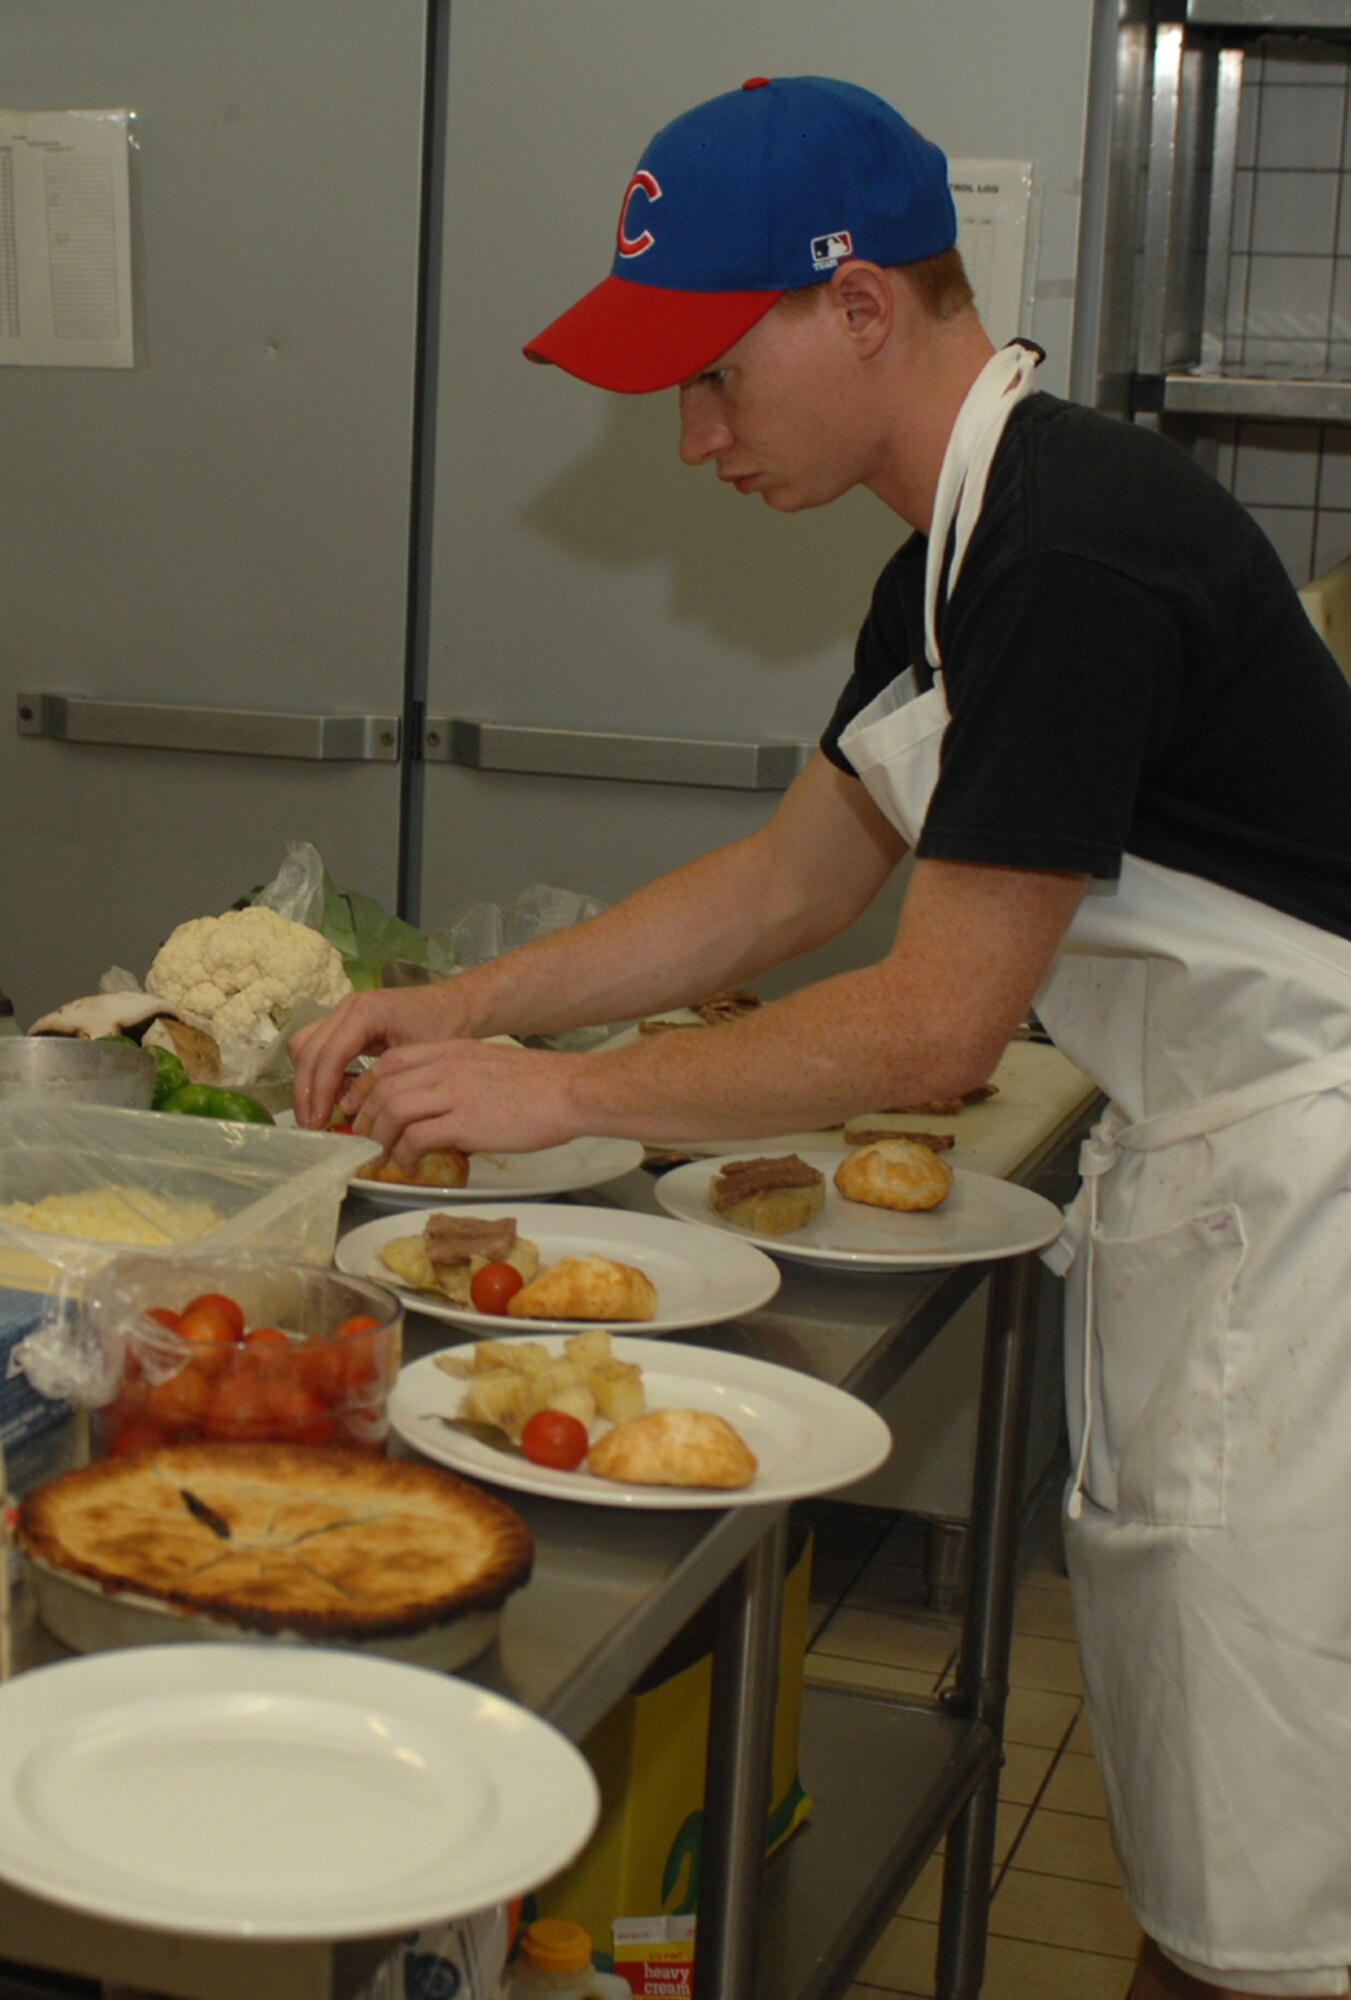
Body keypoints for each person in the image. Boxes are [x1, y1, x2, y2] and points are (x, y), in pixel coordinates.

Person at [291, 74, 1351, 2000]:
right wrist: (464, 1004)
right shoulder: (954, 549)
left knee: (1265, 1920)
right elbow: (790, 888)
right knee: (1228, 1850)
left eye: (711, 373)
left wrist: (567, 1095)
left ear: (860, 306)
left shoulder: (1065, 543)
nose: (691, 437)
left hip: (1316, 1219)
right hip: (1237, 1195)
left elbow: (936, 1024)